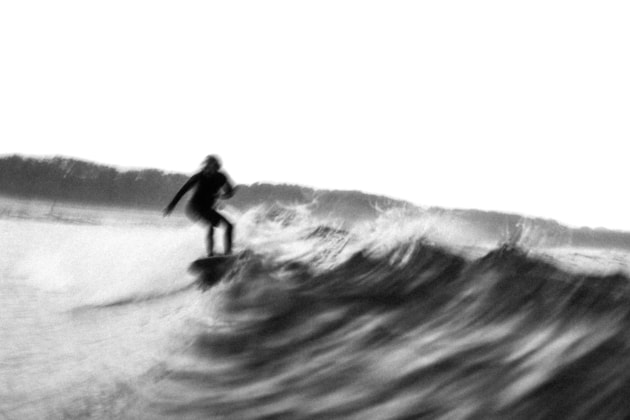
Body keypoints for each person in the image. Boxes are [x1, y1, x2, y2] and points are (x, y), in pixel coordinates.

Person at [164, 155, 235, 256]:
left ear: (217, 167)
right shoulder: (198, 177)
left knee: (230, 226)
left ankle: (228, 253)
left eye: (213, 167)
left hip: (207, 209)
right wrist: (171, 205)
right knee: (210, 226)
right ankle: (210, 255)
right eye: (208, 167)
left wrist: (222, 195)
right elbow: (182, 191)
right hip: (193, 208)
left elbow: (230, 192)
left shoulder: (221, 177)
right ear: (205, 166)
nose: (210, 170)